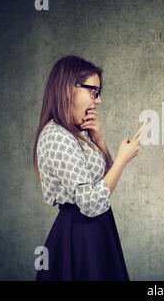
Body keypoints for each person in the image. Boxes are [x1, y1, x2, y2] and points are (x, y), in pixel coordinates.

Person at [33, 55, 141, 280]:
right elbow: (92, 203)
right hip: (79, 236)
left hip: (98, 229)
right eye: (94, 92)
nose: (98, 100)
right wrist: (122, 159)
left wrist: (100, 140)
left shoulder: (78, 134)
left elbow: (107, 182)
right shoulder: (56, 137)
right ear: (67, 89)